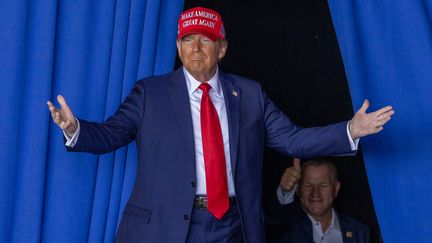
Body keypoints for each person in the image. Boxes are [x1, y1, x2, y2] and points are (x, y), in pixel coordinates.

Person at [47, 6, 393, 243]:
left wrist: (350, 130)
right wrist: (74, 128)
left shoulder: (250, 94)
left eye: (206, 40)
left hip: (232, 225)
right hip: (165, 226)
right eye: (187, 40)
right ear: (179, 47)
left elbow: (293, 140)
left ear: (222, 49)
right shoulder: (150, 92)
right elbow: (111, 134)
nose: (196, 49)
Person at [267, 158, 370, 243]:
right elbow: (273, 221)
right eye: (308, 186)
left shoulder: (359, 232)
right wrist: (285, 190)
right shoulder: (285, 225)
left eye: (323, 186)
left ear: (336, 188)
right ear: (298, 189)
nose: (315, 193)